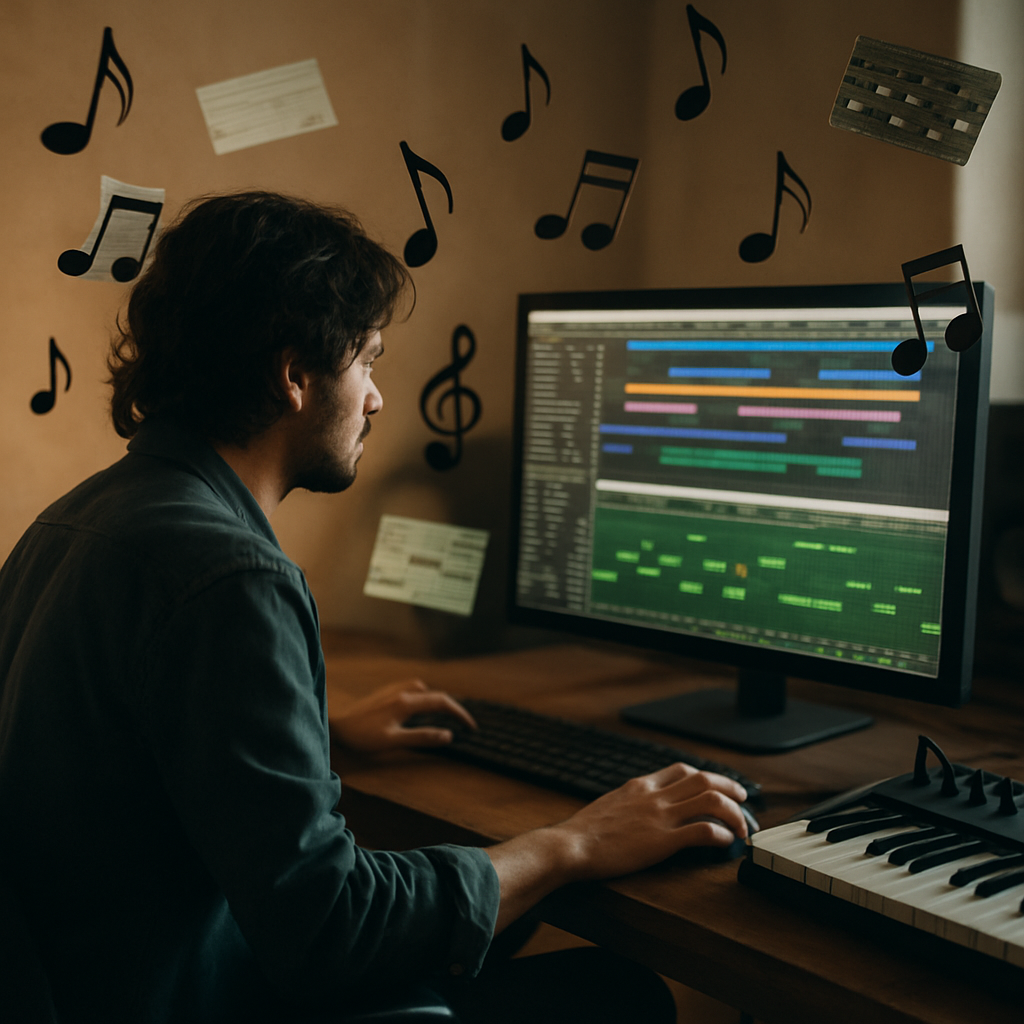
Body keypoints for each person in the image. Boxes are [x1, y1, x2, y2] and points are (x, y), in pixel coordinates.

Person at [0, 192, 750, 1024]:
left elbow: (115, 755)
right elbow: (332, 929)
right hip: (193, 998)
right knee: (619, 995)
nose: (376, 398)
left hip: (90, 985)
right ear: (294, 375)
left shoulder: (79, 518)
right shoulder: (230, 575)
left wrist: (318, 733)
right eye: (368, 362)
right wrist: (573, 843)